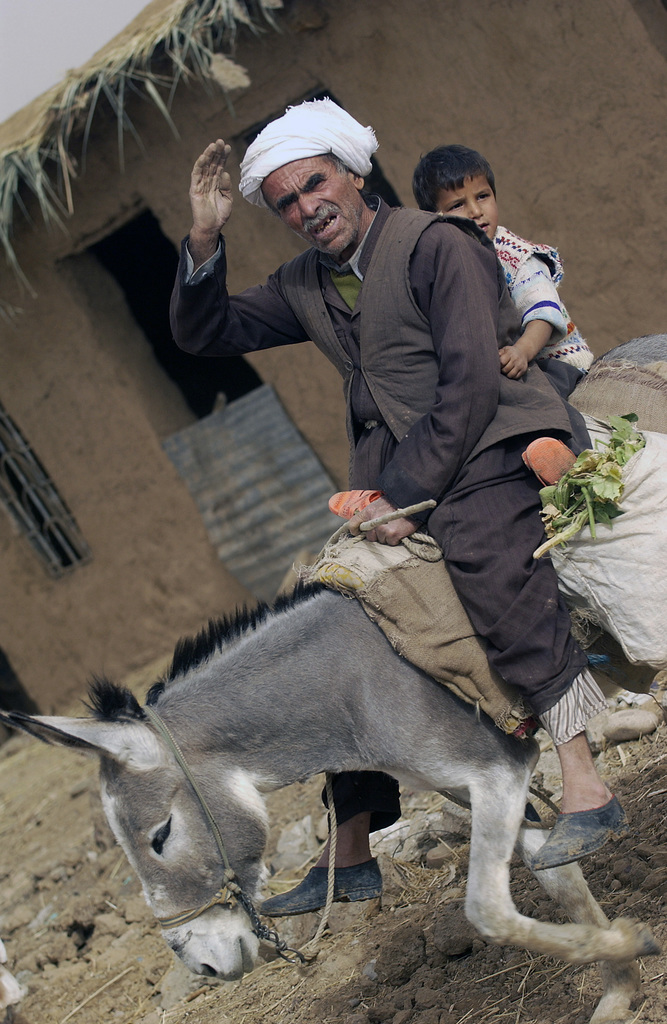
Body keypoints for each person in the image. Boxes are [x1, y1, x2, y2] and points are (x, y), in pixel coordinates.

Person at [170, 98, 625, 916]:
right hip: (394, 476)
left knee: (488, 559)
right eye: (284, 201)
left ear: (352, 175)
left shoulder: (435, 244)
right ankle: (350, 851)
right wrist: (205, 239)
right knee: (340, 613)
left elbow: (470, 380)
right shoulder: (303, 282)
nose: (306, 208)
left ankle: (585, 781)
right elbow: (207, 334)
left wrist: (405, 499)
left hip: (488, 440)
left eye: (315, 184)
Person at [412, 144, 594, 384]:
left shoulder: (516, 256)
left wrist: (522, 351)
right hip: (505, 368)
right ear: (435, 218)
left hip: (554, 365)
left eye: (482, 197)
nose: (476, 211)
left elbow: (544, 312)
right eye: (457, 205)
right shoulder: (444, 263)